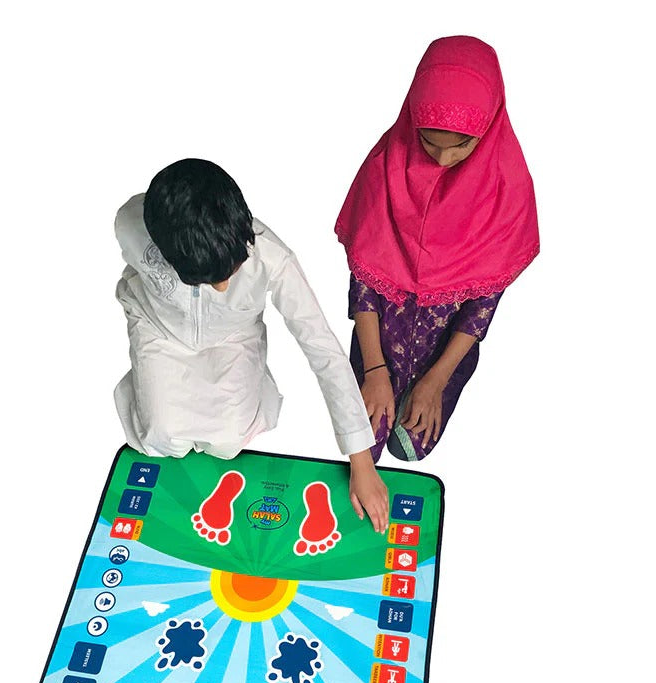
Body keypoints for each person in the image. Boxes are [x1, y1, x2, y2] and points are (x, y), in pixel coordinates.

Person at [114, 158, 388, 530]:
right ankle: (159, 392)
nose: (224, 286)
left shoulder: (272, 257)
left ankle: (251, 385)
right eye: (211, 279)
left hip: (233, 336)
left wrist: (362, 460)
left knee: (227, 443)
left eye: (231, 272)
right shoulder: (130, 223)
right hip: (158, 327)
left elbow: (321, 345)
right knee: (163, 439)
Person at [335, 35, 539, 461]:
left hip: (444, 345)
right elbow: (363, 282)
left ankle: (434, 379)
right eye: (429, 143)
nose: (442, 161)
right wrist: (374, 370)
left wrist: (436, 380)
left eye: (461, 146)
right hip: (380, 337)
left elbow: (484, 303)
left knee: (409, 448)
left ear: (490, 127)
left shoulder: (507, 188)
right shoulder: (384, 167)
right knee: (361, 444)